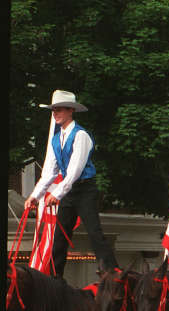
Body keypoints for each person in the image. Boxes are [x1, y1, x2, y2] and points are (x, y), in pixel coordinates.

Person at [24, 90, 118, 277]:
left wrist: (56, 194)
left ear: (70, 111)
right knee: (59, 237)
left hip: (85, 189)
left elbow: (74, 171)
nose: (55, 113)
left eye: (59, 110)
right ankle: (54, 278)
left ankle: (111, 271)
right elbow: (49, 173)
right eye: (54, 110)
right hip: (69, 192)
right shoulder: (56, 139)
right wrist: (35, 196)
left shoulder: (80, 135)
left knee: (93, 231)